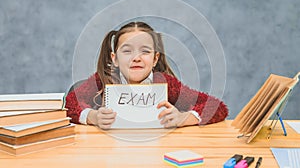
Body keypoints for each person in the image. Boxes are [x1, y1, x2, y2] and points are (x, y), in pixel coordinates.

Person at [65, 21, 228, 129]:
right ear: (114, 59)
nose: (136, 58)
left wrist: (183, 118)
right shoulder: (104, 80)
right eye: (127, 51)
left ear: (155, 58)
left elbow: (216, 106)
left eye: (145, 51)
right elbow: (70, 103)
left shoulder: (165, 83)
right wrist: (93, 116)